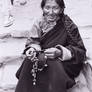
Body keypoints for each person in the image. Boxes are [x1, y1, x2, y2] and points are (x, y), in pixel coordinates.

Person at [15, 0, 87, 92]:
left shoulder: (69, 26)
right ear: (43, 8)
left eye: (55, 8)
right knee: (29, 61)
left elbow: (80, 50)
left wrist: (60, 52)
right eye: (47, 8)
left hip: (62, 61)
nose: (51, 12)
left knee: (52, 64)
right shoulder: (39, 23)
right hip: (42, 57)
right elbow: (33, 41)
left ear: (61, 9)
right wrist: (32, 49)